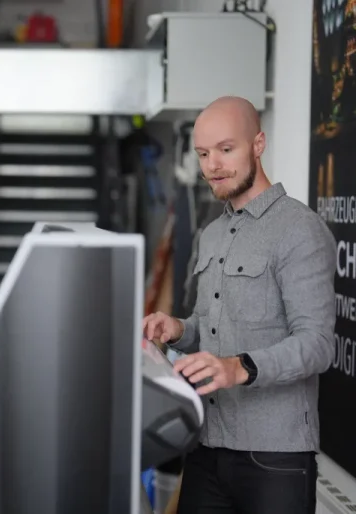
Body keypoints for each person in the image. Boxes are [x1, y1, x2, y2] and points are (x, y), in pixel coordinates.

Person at [144, 96, 336, 514]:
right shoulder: (210, 235)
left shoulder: (299, 230)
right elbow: (208, 325)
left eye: (226, 149)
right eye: (203, 154)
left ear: (258, 144)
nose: (213, 165)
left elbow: (318, 344)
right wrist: (178, 328)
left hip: (274, 456)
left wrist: (238, 367)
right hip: (206, 444)